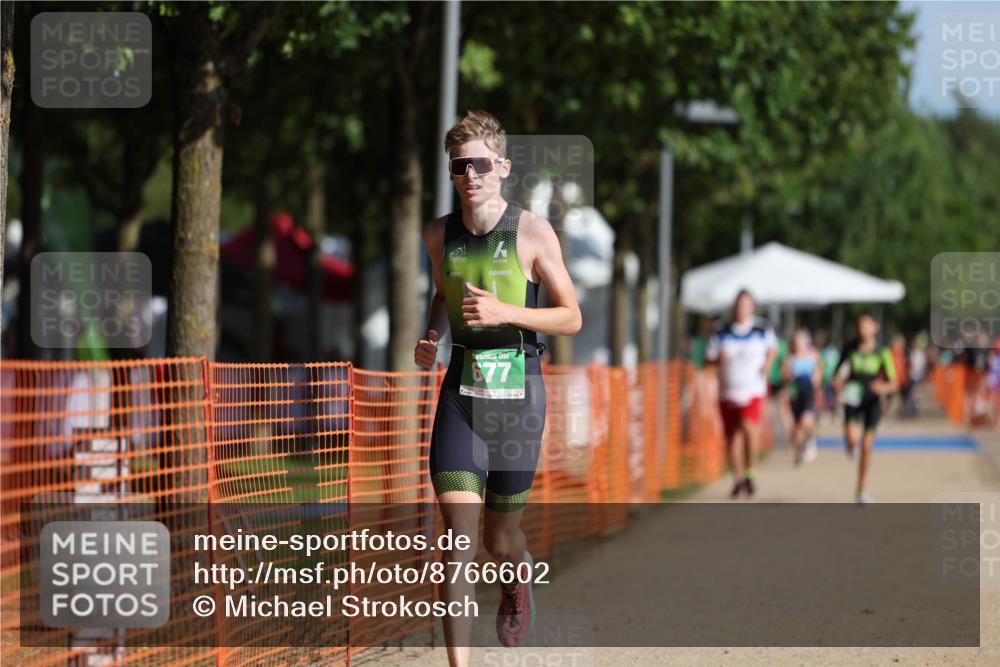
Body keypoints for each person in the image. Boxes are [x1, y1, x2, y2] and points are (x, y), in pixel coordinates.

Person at [414, 110, 581, 663]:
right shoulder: (438, 234)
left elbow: (571, 317)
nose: (471, 174)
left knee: (499, 541)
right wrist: (432, 334)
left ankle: (515, 579)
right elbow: (444, 292)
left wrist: (505, 310)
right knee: (458, 542)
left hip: (519, 395)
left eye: (481, 163)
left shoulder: (533, 231)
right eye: (460, 166)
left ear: (503, 167)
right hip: (461, 392)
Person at [705, 290, 777, 498]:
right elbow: (708, 360)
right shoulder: (721, 331)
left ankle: (750, 472)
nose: (741, 309)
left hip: (753, 388)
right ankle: (738, 479)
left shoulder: (762, 328)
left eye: (746, 304)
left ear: (752, 307)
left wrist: (767, 365)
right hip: (728, 390)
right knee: (732, 437)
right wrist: (719, 359)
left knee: (748, 428)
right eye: (739, 304)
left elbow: (773, 349)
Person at [832, 313, 897, 505]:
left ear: (875, 327)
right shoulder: (850, 348)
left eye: (866, 325)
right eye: (860, 326)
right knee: (853, 440)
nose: (863, 330)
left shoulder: (882, 352)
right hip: (853, 398)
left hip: (872, 401)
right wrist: (838, 388)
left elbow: (894, 383)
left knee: (867, 447)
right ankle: (851, 446)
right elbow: (836, 376)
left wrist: (883, 388)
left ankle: (861, 489)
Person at [782, 329, 823, 465]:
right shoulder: (790, 358)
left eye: (801, 341)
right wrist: (790, 376)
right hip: (794, 394)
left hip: (808, 392)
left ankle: (810, 442)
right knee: (794, 427)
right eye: (796, 341)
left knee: (807, 421)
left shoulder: (813, 355)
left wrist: (816, 378)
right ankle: (799, 449)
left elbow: (820, 372)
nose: (798, 344)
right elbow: (784, 375)